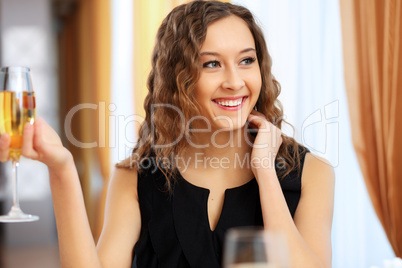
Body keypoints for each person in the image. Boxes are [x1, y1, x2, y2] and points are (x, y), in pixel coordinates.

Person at [0, 1, 334, 267]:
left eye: (246, 61)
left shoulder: (311, 174)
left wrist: (266, 174)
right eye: (211, 64)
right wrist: (61, 170)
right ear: (177, 78)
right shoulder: (136, 178)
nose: (235, 81)